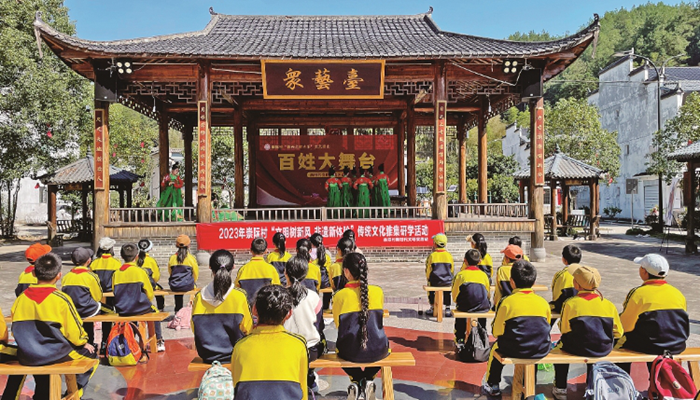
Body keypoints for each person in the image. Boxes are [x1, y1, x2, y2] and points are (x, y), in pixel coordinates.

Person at [10, 253, 97, 399]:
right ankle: (74, 393)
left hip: (28, 354)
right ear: (59, 276)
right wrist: (83, 342)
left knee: (43, 378)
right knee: (92, 356)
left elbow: (15, 330)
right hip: (55, 354)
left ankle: (42, 395)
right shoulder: (61, 299)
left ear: (33, 273)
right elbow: (74, 332)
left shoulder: (21, 299)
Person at [552, 265, 623, 400]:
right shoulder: (608, 304)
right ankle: (591, 386)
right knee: (594, 347)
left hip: (577, 347)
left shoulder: (570, 303)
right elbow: (618, 332)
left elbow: (564, 329)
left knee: (559, 348)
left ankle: (560, 388)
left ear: (577, 285)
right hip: (603, 348)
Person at [483, 260, 551, 396]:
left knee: (496, 348)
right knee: (534, 348)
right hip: (540, 348)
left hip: (514, 348)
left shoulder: (506, 302)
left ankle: (493, 384)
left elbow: (497, 332)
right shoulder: (543, 303)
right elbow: (546, 326)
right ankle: (530, 383)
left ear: (512, 282)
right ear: (534, 282)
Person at [231, 285, 308, 400]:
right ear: (289, 313)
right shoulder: (298, 345)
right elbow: (302, 388)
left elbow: (237, 386)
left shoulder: (240, 346)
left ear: (254, 309)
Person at [616, 254, 689, 373]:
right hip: (677, 345)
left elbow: (626, 326)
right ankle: (659, 379)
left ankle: (621, 381)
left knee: (619, 342)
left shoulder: (638, 293)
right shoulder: (677, 293)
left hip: (651, 346)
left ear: (644, 272)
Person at [333, 253, 389, 400]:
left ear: (346, 271)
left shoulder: (339, 296)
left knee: (339, 349)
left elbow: (338, 325)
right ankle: (369, 378)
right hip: (377, 348)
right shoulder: (378, 292)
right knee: (385, 348)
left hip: (350, 351)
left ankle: (357, 379)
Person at [192, 250, 252, 364]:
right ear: (233, 267)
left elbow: (194, 327)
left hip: (207, 355)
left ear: (210, 267)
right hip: (235, 354)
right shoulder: (239, 296)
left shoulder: (199, 297)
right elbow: (248, 329)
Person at [114, 243, 165, 352]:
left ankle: (129, 340)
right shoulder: (140, 272)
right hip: (139, 308)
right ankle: (158, 340)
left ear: (122, 256)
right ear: (137, 256)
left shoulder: (116, 273)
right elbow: (149, 293)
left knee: (130, 318)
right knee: (155, 312)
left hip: (122, 309)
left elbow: (115, 292)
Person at [284, 256, 323, 396]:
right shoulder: (313, 297)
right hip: (310, 350)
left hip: (285, 349)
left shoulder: (279, 296)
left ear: (285, 273)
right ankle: (310, 379)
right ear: (305, 274)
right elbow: (319, 325)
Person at [62, 247, 103, 346]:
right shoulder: (91, 276)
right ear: (89, 261)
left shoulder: (66, 277)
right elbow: (98, 297)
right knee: (105, 309)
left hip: (72, 310)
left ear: (72, 260)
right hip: (88, 310)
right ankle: (93, 341)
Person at [452, 249, 491, 344]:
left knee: (460, 312)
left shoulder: (460, 275)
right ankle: (482, 334)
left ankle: (460, 338)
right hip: (482, 306)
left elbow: (455, 294)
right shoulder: (484, 275)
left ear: (465, 260)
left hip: (465, 306)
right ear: (479, 261)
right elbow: (488, 294)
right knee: (482, 309)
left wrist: (458, 302)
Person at [90, 236, 121, 355]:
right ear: (111, 248)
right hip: (111, 294)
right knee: (108, 317)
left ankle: (92, 342)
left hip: (97, 294)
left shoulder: (94, 263)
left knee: (94, 317)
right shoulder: (116, 263)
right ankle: (105, 342)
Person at [235, 238, 281, 306]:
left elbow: (237, 291)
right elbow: (277, 291)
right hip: (265, 309)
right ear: (266, 251)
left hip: (247, 308)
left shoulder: (243, 270)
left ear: (251, 250)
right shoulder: (271, 269)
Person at [168, 234, 199, 313]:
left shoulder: (172, 258)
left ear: (177, 245)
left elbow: (170, 272)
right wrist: (193, 282)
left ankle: (178, 310)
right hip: (188, 285)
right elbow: (195, 273)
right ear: (189, 245)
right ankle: (192, 308)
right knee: (194, 287)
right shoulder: (191, 258)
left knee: (178, 290)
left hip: (174, 286)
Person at [425, 233, 454, 318]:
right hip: (447, 281)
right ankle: (447, 308)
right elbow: (452, 269)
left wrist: (428, 278)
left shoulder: (432, 256)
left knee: (431, 291)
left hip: (435, 281)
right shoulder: (449, 255)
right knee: (447, 293)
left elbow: (428, 269)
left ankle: (432, 307)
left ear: (435, 244)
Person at [550, 245, 581, 324]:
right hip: (582, 306)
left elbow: (556, 294)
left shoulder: (560, 274)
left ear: (564, 260)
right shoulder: (586, 273)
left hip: (563, 306)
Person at [493, 244, 524, 309]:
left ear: (506, 259)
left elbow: (498, 292)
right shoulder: (524, 268)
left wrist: (496, 305)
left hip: (506, 304)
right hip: (521, 303)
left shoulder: (502, 270)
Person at [137, 239, 165, 311]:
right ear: (150, 249)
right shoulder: (151, 260)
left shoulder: (135, 260)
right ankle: (160, 308)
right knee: (160, 292)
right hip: (150, 285)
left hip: (137, 284)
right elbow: (156, 276)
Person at [310, 233, 332, 309]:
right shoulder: (327, 255)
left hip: (313, 282)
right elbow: (329, 270)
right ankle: (325, 307)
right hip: (324, 283)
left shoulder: (308, 254)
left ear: (311, 243)